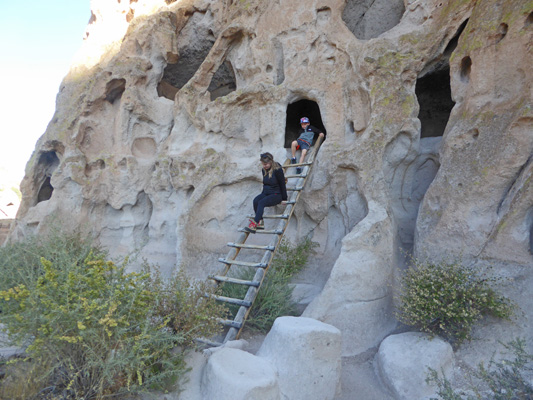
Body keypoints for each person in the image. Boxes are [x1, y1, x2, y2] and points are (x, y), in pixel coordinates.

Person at [245, 152, 288, 233]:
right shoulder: (264, 170)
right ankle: (260, 222)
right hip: (267, 193)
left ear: (271, 162)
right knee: (256, 200)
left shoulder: (277, 169)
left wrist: (284, 198)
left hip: (276, 194)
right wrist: (262, 195)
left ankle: (255, 223)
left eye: (266, 164)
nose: (264, 166)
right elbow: (265, 184)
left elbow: (282, 183)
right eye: (263, 164)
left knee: (261, 203)